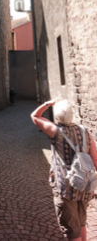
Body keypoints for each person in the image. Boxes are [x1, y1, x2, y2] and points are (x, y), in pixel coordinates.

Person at [31, 99, 97, 241]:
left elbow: (35, 116)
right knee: (81, 222)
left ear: (56, 117)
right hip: (85, 184)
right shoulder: (85, 131)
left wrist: (49, 103)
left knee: (71, 227)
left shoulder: (56, 131)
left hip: (66, 186)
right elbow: (95, 160)